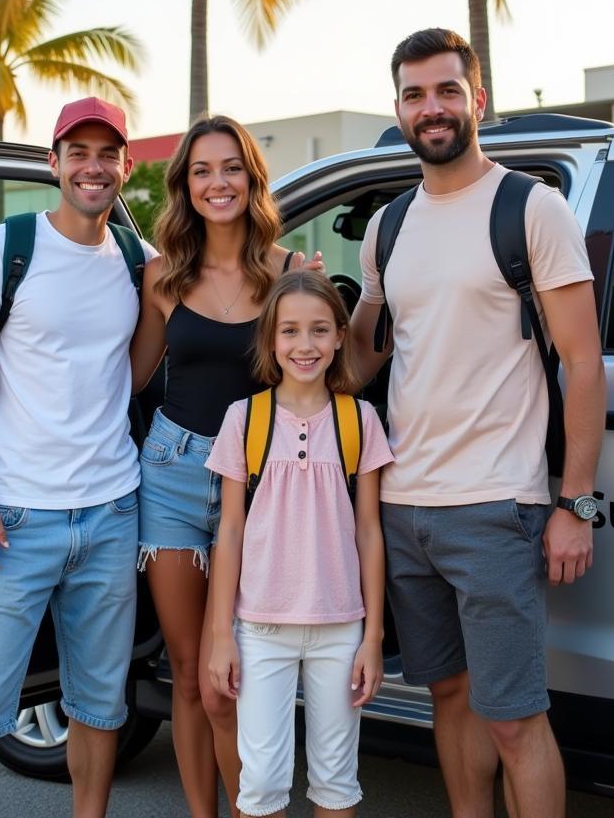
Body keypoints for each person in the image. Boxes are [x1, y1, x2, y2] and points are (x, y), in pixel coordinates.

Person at [350, 29, 606, 818]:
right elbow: (361, 363)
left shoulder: (530, 207)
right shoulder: (387, 226)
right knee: (449, 696)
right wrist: (305, 309)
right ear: (398, 108)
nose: (433, 108)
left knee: (515, 718)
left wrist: (575, 505)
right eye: (416, 94)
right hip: (405, 506)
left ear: (478, 101)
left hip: (498, 505)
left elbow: (584, 363)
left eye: (447, 91)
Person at [0, 97, 156, 818]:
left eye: (107, 154)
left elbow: (138, 370)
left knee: (99, 707)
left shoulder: (137, 260)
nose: (94, 167)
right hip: (14, 517)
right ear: (53, 162)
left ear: (125, 166)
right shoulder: (5, 248)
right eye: (79, 152)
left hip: (110, 512)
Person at [130, 115, 322, 817]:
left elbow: (335, 378)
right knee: (187, 675)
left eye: (231, 168)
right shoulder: (161, 277)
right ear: (185, 184)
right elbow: (128, 377)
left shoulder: (288, 274)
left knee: (233, 680)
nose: (219, 183)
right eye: (203, 170)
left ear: (251, 179)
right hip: (173, 474)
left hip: (262, 488)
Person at [206, 270, 393, 818]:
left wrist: (373, 636)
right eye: (289, 332)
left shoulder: (360, 420)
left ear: (339, 336)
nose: (304, 345)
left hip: (341, 627)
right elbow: (231, 531)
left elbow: (369, 532)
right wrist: (221, 634)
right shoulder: (245, 419)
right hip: (261, 627)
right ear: (270, 342)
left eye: (318, 330)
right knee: (261, 782)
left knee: (337, 779)